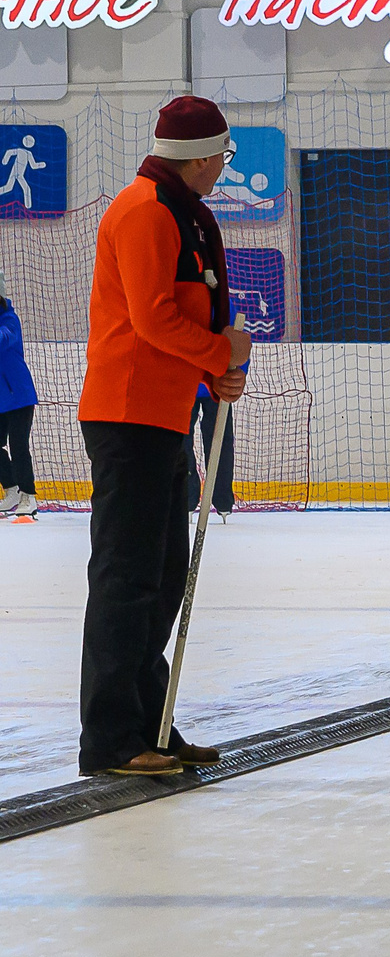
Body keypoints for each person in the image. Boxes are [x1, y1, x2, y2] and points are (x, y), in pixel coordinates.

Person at [76, 95, 253, 778]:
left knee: (159, 576)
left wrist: (217, 372)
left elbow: (184, 317)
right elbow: (152, 320)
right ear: (202, 156)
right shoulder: (148, 211)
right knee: (128, 579)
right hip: (128, 415)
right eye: (222, 158)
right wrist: (218, 351)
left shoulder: (181, 211)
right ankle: (113, 738)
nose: (221, 169)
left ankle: (151, 722)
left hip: (161, 413)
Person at [0, 274, 36, 520]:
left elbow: (4, 338)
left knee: (19, 445)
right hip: (2, 399)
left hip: (19, 395)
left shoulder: (9, 319)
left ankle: (28, 496)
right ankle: (11, 489)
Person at [183, 382, 237, 520]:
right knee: (180, 442)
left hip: (217, 383)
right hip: (186, 383)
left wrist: (239, 372)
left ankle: (222, 501)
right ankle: (187, 499)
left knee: (220, 443)